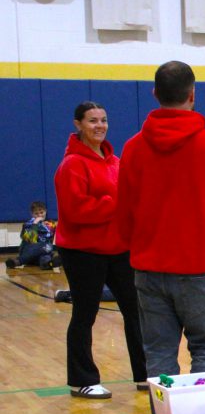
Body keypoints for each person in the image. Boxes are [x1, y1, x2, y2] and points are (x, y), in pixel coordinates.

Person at [117, 61, 205, 378]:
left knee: (159, 357)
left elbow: (123, 215)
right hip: (198, 270)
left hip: (149, 269)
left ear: (154, 94)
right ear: (193, 94)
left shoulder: (133, 148)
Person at [54, 100, 147, 398]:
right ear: (78, 124)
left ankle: (146, 374)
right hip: (83, 251)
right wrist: (116, 204)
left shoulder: (116, 162)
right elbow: (76, 211)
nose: (100, 126)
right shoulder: (71, 165)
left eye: (103, 120)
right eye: (92, 121)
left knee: (136, 311)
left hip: (119, 248)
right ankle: (82, 379)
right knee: (85, 313)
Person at [6, 201, 58, 270]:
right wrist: (35, 223)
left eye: (41, 212)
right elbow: (30, 239)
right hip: (27, 250)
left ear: (46, 211)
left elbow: (50, 241)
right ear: (32, 214)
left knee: (47, 253)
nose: (39, 215)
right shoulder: (28, 224)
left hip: (42, 252)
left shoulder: (51, 224)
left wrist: (48, 251)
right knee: (45, 245)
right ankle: (18, 261)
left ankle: (47, 264)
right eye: (36, 213)